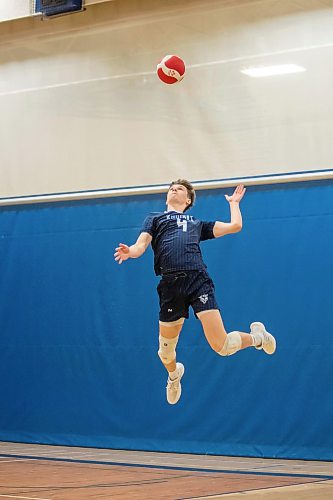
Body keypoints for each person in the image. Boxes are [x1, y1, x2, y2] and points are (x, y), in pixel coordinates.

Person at [114, 180, 276, 405]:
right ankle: (174, 375)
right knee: (165, 353)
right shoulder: (155, 218)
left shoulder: (196, 223)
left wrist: (234, 203)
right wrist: (130, 251)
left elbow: (235, 226)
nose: (174, 189)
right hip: (170, 286)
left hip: (197, 280)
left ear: (188, 199)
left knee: (224, 347)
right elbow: (140, 246)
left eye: (179, 188)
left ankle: (258, 337)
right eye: (171, 187)